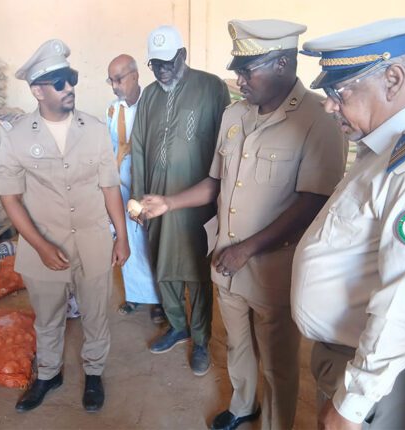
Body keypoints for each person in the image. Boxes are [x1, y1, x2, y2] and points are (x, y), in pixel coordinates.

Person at [141, 19, 347, 430]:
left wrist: (246, 249)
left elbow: (313, 202)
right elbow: (215, 183)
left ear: (283, 64)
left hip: (273, 270)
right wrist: (169, 202)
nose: (239, 80)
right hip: (226, 261)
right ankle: (242, 405)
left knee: (277, 361)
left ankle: (274, 423)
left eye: (248, 71)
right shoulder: (235, 114)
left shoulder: (316, 119)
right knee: (237, 344)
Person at [292, 15, 405, 429]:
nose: (329, 104)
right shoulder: (390, 141)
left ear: (392, 79)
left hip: (378, 379)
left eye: (340, 91)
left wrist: (352, 405)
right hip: (348, 356)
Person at [0, 39, 130, 413]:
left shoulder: (95, 130)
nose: (69, 87)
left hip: (93, 241)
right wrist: (39, 245)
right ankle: (49, 374)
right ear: (37, 91)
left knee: (95, 315)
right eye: (58, 82)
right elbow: (10, 198)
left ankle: (94, 373)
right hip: (43, 244)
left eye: (71, 79)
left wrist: (122, 237)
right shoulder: (17, 136)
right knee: (48, 318)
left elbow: (110, 187)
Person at [130, 24, 230, 376]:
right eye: (155, 64)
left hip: (195, 201)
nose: (162, 71)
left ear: (183, 56)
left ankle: (201, 340)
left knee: (196, 272)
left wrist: (221, 197)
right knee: (163, 264)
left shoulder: (211, 87)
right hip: (155, 197)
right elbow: (138, 146)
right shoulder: (149, 96)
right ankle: (177, 326)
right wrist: (137, 197)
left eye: (168, 63)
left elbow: (225, 145)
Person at [105, 54, 165, 324]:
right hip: (122, 185)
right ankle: (135, 295)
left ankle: (159, 299)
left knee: (151, 241)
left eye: (119, 79)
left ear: (136, 75)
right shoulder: (113, 110)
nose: (115, 86)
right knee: (126, 236)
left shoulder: (153, 105)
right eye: (111, 80)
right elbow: (110, 149)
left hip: (149, 184)